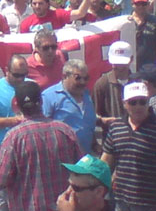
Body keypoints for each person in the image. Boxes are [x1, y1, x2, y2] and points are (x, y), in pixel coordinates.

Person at [0, 81, 83, 211]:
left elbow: (0, 180)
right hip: (63, 206)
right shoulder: (65, 130)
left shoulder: (14, 137)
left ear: (16, 104)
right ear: (41, 101)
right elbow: (81, 169)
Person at [0, 54, 29, 210]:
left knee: (28, 190)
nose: (21, 79)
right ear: (6, 70)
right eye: (17, 75)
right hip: (2, 148)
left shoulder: (31, 87)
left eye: (24, 75)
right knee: (4, 194)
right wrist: (13, 121)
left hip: (27, 147)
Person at [101, 81, 156, 210]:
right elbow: (106, 162)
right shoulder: (116, 127)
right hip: (121, 200)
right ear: (124, 103)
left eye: (142, 102)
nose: (138, 106)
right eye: (133, 102)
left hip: (150, 202)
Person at [42, 59, 97, 154]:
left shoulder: (87, 95)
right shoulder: (48, 97)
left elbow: (87, 125)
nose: (82, 82)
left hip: (85, 158)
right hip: (61, 157)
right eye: (78, 78)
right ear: (64, 76)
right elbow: (42, 129)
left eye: (86, 78)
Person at [92, 41, 132, 132]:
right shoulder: (102, 84)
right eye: (116, 63)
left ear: (131, 59)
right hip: (111, 136)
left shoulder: (137, 82)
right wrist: (103, 120)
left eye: (122, 63)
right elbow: (93, 114)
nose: (119, 67)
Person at [20, 0, 93, 33]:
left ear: (47, 4)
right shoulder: (26, 24)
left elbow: (80, 13)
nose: (37, 6)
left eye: (40, 3)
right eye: (34, 4)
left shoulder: (58, 15)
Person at [130, 0, 156, 70]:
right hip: (130, 65)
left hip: (149, 66)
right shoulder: (126, 22)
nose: (141, 6)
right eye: (138, 3)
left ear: (148, 4)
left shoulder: (154, 21)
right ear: (132, 4)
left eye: (143, 4)